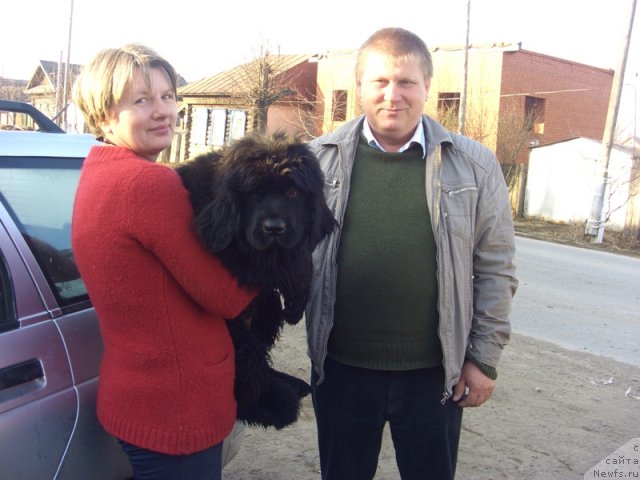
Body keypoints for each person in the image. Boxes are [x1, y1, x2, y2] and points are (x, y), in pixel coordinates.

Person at [305, 27, 518, 480]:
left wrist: (482, 359)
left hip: (433, 377)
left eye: (406, 82)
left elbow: (496, 269)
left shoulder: (475, 165)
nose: (392, 95)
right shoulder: (314, 162)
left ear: (427, 87)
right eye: (379, 82)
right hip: (340, 370)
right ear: (359, 86)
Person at [72, 44, 256, 480]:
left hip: (138, 397)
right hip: (175, 409)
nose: (162, 111)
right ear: (103, 116)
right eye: (141, 100)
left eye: (168, 96)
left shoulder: (100, 170)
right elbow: (227, 297)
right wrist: (279, 256)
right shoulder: (147, 183)